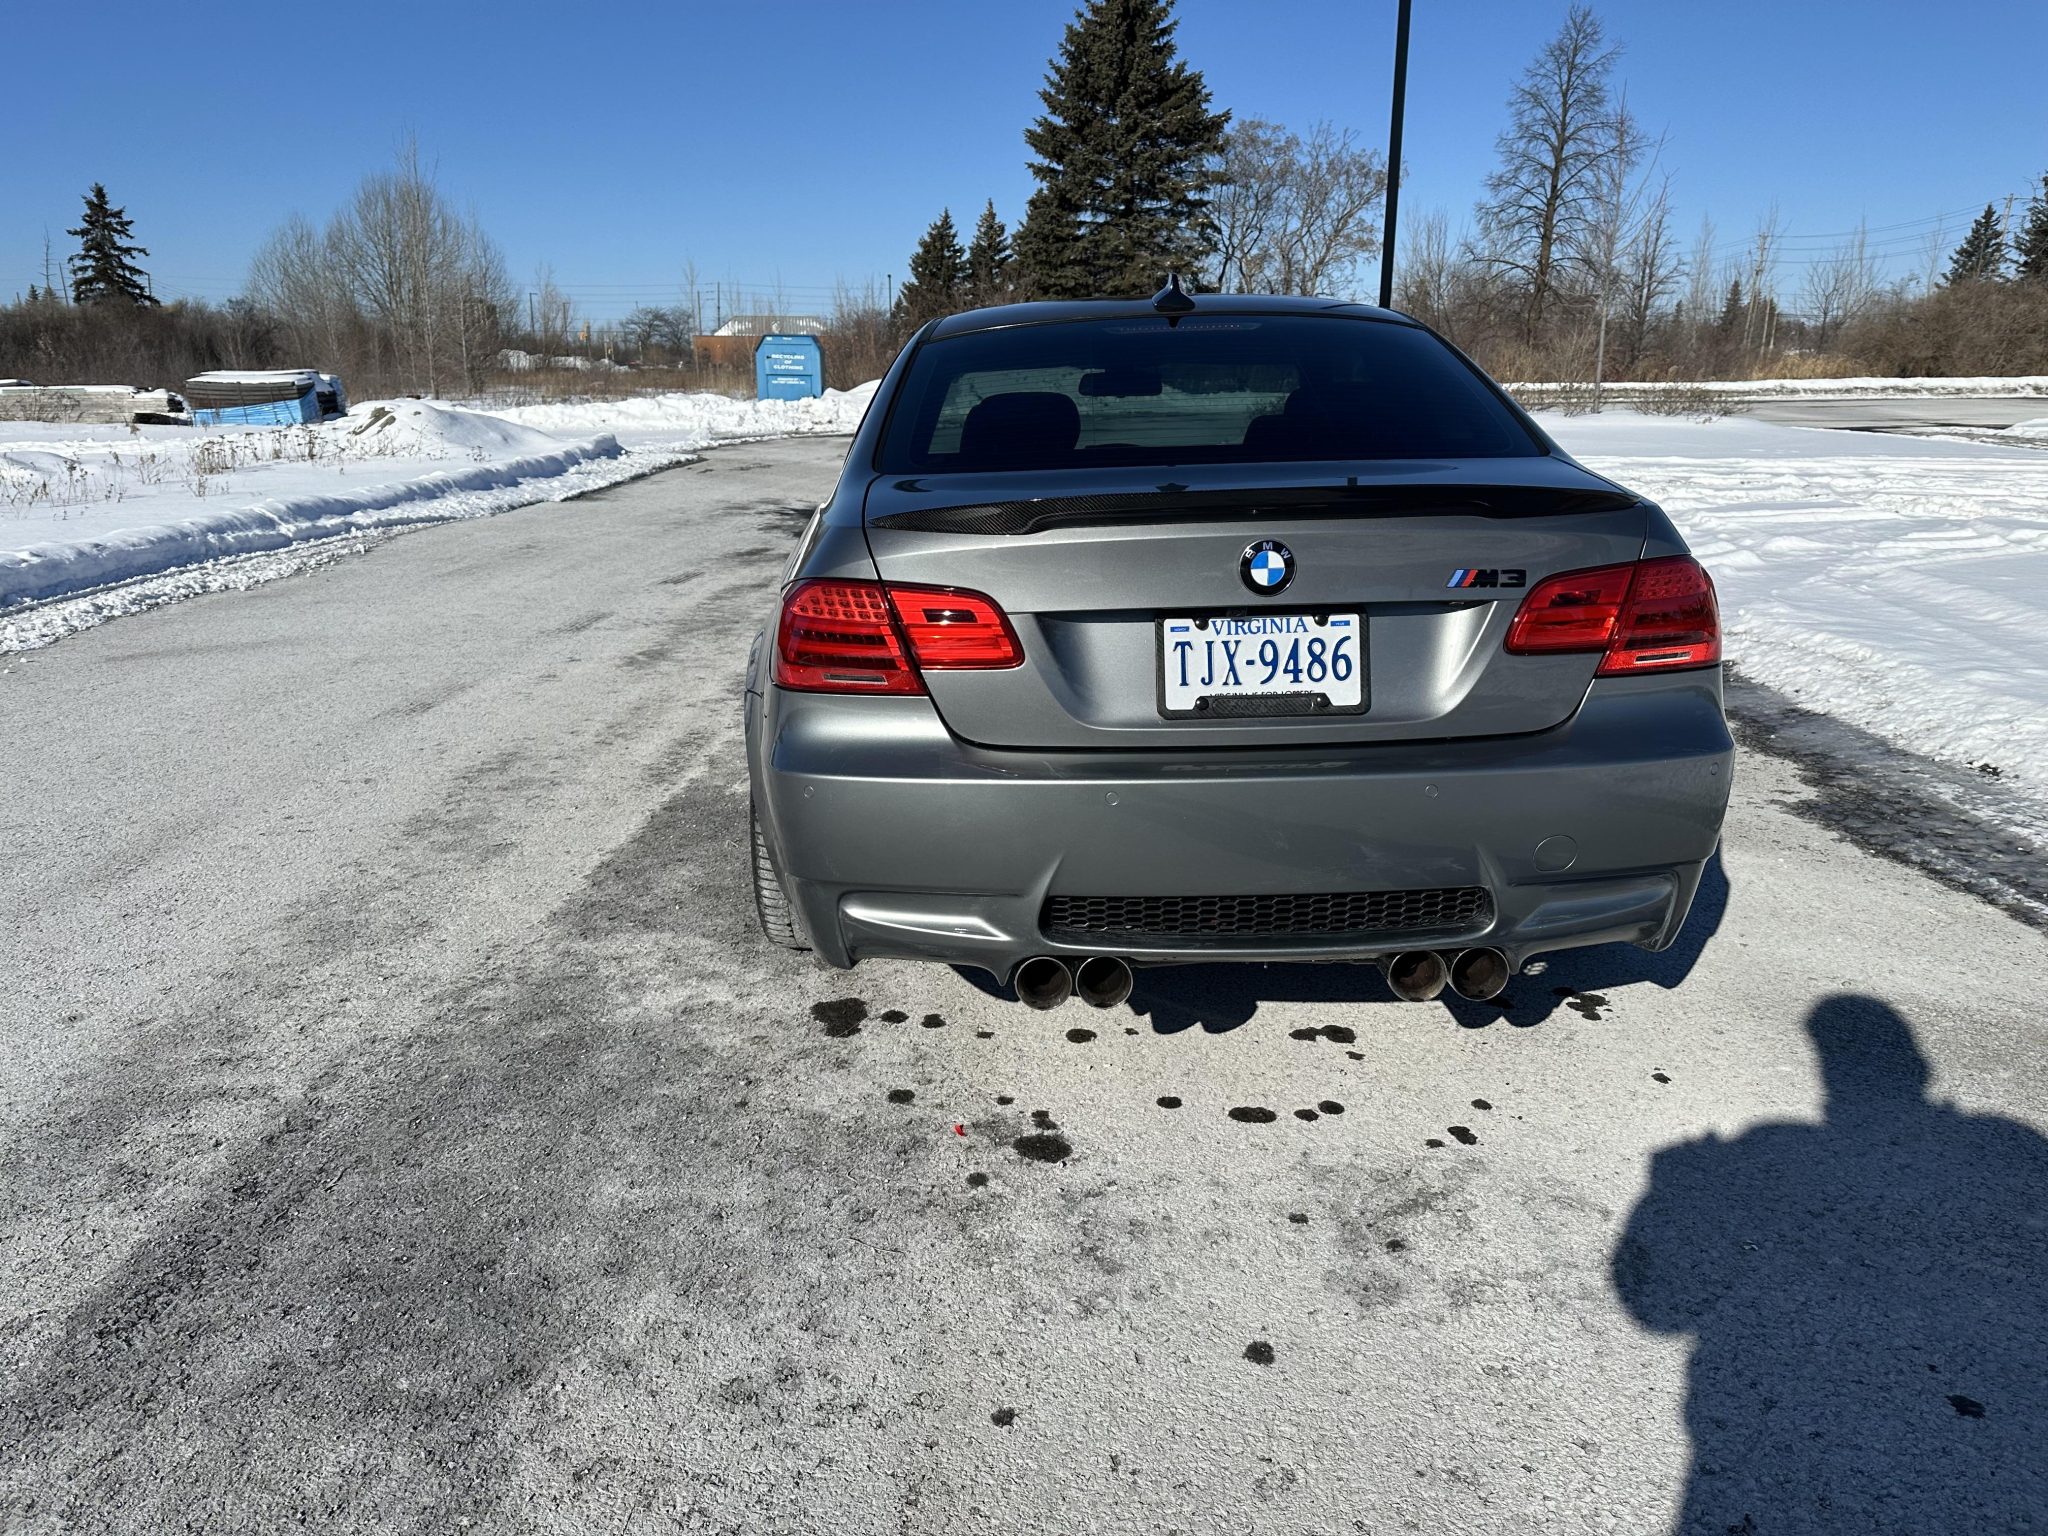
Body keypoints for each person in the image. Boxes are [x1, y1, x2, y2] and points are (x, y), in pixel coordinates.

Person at [1613, 994, 2047, 1532]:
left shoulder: (1771, 1142)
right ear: (1918, 1064)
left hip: (1763, 1424)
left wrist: (1671, 1184)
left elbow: (1658, 1313)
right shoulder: (2011, 1143)